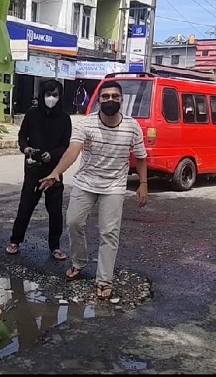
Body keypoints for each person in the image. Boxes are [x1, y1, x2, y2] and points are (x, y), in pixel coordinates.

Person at [38, 80, 148, 300]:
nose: (110, 100)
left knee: (109, 232)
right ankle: (79, 262)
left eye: (114, 96)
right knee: (73, 222)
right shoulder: (86, 124)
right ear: (99, 100)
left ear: (121, 100)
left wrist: (143, 184)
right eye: (105, 96)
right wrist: (56, 172)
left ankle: (104, 280)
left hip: (114, 186)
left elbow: (141, 157)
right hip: (85, 182)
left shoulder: (132, 126)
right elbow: (73, 151)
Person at [6, 79, 72, 260]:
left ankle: (55, 247)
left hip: (54, 171)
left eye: (55, 95)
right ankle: (15, 241)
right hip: (33, 169)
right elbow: (22, 138)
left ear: (60, 97)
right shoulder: (32, 114)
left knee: (56, 212)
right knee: (25, 207)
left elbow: (65, 145)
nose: (51, 98)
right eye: (48, 94)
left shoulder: (65, 119)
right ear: (42, 95)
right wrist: (25, 148)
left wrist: (52, 155)